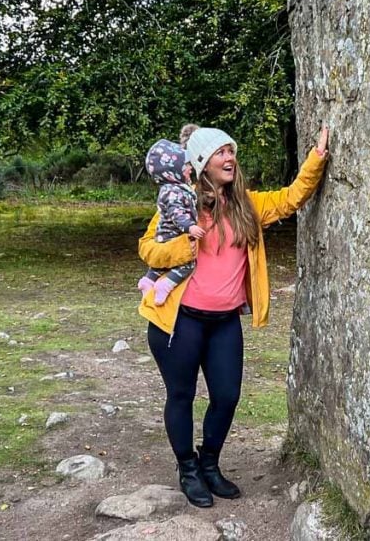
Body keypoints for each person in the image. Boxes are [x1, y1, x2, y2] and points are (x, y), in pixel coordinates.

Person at [137, 124, 329, 508]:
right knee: (181, 395)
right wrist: (186, 243)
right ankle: (187, 469)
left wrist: (317, 157)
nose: (230, 158)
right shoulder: (180, 203)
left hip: (224, 321)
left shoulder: (247, 205)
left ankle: (209, 464)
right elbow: (148, 251)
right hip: (180, 320)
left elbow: (291, 198)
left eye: (231, 151)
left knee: (226, 396)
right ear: (202, 162)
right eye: (221, 152)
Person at [137, 139, 207, 305]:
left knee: (160, 266)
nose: (190, 168)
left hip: (167, 234)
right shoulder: (173, 191)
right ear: (173, 171)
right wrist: (190, 227)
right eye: (186, 166)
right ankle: (165, 285)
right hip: (171, 234)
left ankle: (148, 281)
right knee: (187, 265)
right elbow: (177, 213)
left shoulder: (176, 188)